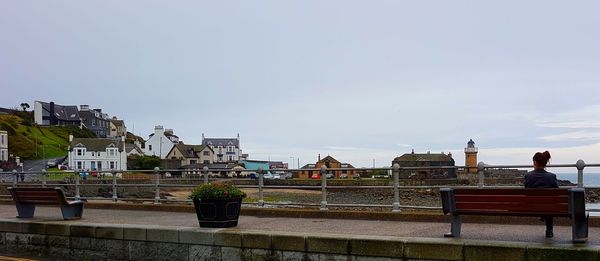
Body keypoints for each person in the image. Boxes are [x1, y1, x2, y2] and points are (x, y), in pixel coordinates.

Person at [524, 150, 558, 238]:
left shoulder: (528, 176)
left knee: (544, 203)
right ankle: (549, 230)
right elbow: (557, 194)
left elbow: (526, 192)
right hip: (549, 207)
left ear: (535, 162)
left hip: (532, 206)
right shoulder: (552, 176)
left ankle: (543, 215)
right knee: (549, 204)